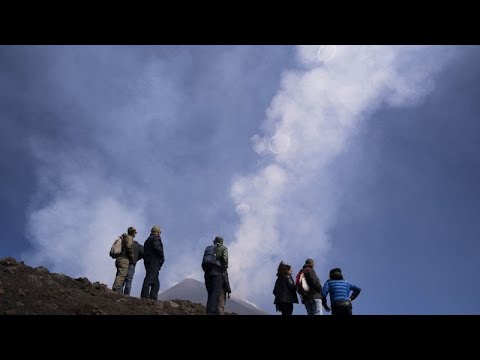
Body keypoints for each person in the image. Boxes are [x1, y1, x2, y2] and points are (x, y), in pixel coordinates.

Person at [202, 236, 228, 315]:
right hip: (217, 273)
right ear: (221, 241)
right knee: (215, 293)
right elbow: (225, 259)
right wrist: (224, 267)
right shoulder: (223, 248)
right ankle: (212, 312)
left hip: (207, 273)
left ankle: (209, 311)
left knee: (210, 293)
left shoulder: (209, 248)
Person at [140, 225, 165, 300]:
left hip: (148, 261)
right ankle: (144, 297)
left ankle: (153, 299)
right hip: (154, 261)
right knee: (149, 279)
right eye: (159, 232)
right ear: (157, 232)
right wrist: (162, 256)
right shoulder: (156, 238)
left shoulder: (147, 240)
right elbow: (157, 248)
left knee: (156, 283)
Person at [112, 226, 135, 293]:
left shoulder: (123, 237)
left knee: (119, 274)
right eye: (135, 232)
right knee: (121, 275)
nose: (135, 234)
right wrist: (131, 256)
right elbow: (128, 246)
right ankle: (115, 290)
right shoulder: (129, 238)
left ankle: (117, 290)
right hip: (124, 259)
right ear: (133, 232)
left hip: (118, 259)